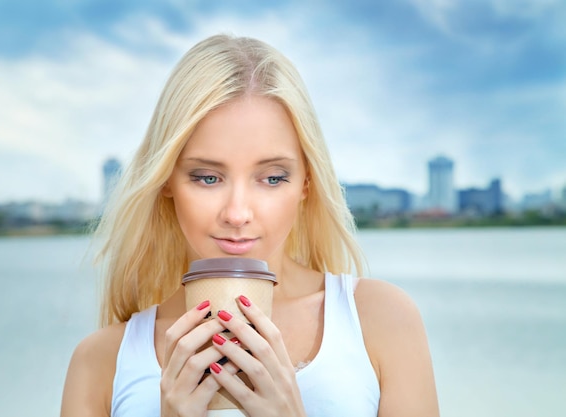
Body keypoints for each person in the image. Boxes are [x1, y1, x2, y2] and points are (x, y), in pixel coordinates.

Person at [60, 34, 439, 417]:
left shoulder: (379, 320)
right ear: (166, 181)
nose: (237, 213)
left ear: (307, 182)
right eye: (207, 177)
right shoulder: (101, 362)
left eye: (272, 178)